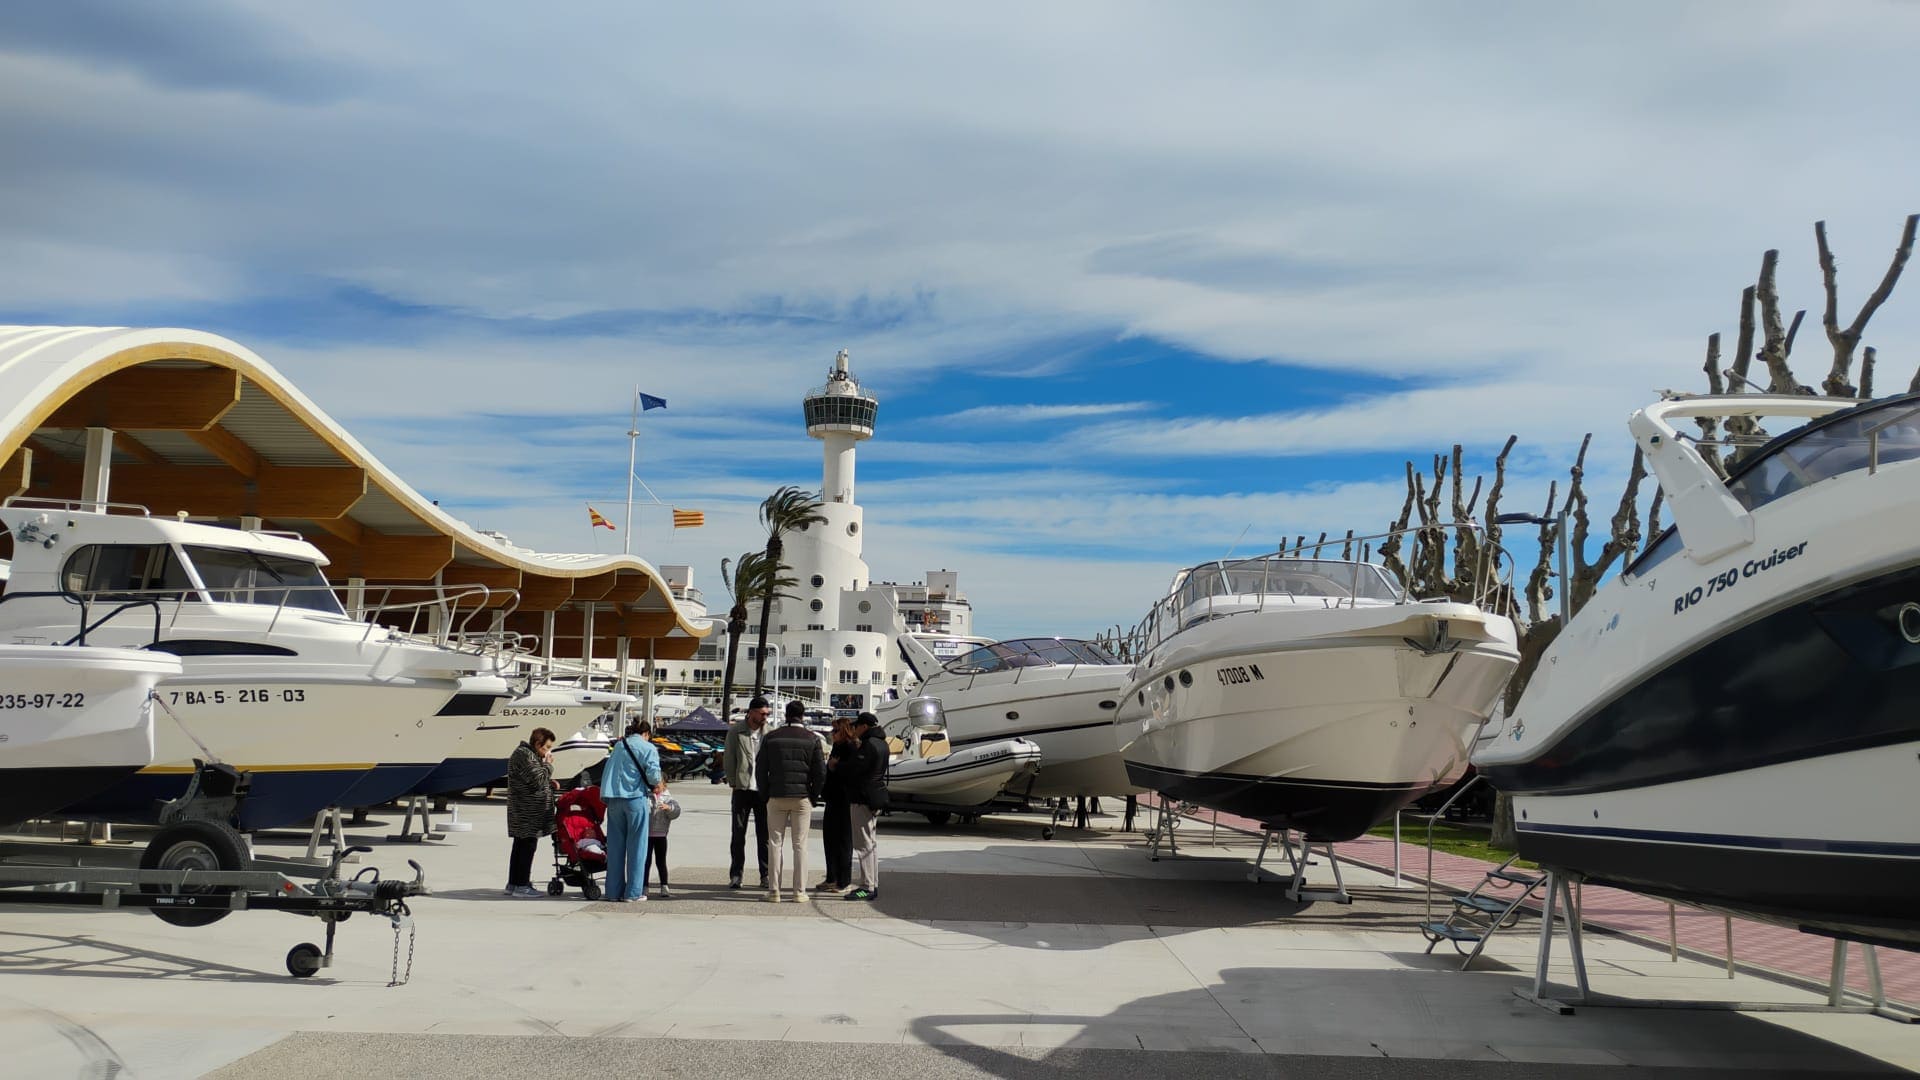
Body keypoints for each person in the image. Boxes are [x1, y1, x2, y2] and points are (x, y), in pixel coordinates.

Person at [757, 700, 826, 902]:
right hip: (802, 797)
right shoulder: (812, 738)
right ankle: (799, 892)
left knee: (775, 843)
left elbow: (760, 769)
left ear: (786, 715)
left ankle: (774, 891)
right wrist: (813, 796)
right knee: (800, 845)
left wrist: (766, 794)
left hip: (776, 796)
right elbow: (820, 772)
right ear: (802, 716)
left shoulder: (771, 737)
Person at [601, 717, 664, 903]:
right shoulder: (648, 748)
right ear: (647, 734)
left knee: (615, 847)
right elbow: (653, 775)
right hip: (635, 799)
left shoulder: (620, 746)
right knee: (637, 847)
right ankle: (633, 892)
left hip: (613, 799)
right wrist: (657, 784)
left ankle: (612, 891)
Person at [722, 697, 771, 889]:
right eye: (762, 713)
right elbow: (729, 758)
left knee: (764, 836)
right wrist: (733, 782)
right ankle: (736, 874)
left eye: (767, 713)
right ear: (751, 713)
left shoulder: (769, 733)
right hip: (742, 789)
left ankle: (765, 874)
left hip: (762, 790)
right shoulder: (736, 732)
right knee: (738, 835)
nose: (765, 717)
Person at [504, 727, 558, 897]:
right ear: (537, 744)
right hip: (526, 812)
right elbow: (538, 780)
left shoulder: (528, 755)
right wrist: (548, 767)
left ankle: (514, 883)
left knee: (521, 845)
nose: (547, 751)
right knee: (526, 846)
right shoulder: (525, 755)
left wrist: (549, 781)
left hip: (525, 810)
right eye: (546, 747)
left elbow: (534, 779)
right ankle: (521, 885)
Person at [845, 711, 890, 902]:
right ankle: (873, 883)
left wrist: (843, 763)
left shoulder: (868, 745)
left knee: (862, 844)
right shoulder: (882, 743)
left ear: (864, 726)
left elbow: (855, 770)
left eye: (856, 726)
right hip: (876, 795)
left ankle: (866, 886)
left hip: (863, 797)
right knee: (870, 843)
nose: (854, 729)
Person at [818, 715, 857, 894]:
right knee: (830, 839)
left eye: (835, 730)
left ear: (844, 731)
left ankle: (843, 880)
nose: (832, 734)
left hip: (844, 799)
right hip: (833, 798)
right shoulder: (837, 746)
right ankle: (831, 877)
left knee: (843, 840)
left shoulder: (850, 747)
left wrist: (835, 767)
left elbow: (850, 771)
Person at [644, 784, 681, 898]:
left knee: (661, 862)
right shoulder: (646, 796)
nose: (655, 786)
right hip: (647, 835)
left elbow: (676, 812)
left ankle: (664, 885)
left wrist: (669, 808)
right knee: (646, 862)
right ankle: (644, 886)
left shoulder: (668, 798)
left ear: (664, 785)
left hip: (661, 834)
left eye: (658, 784)